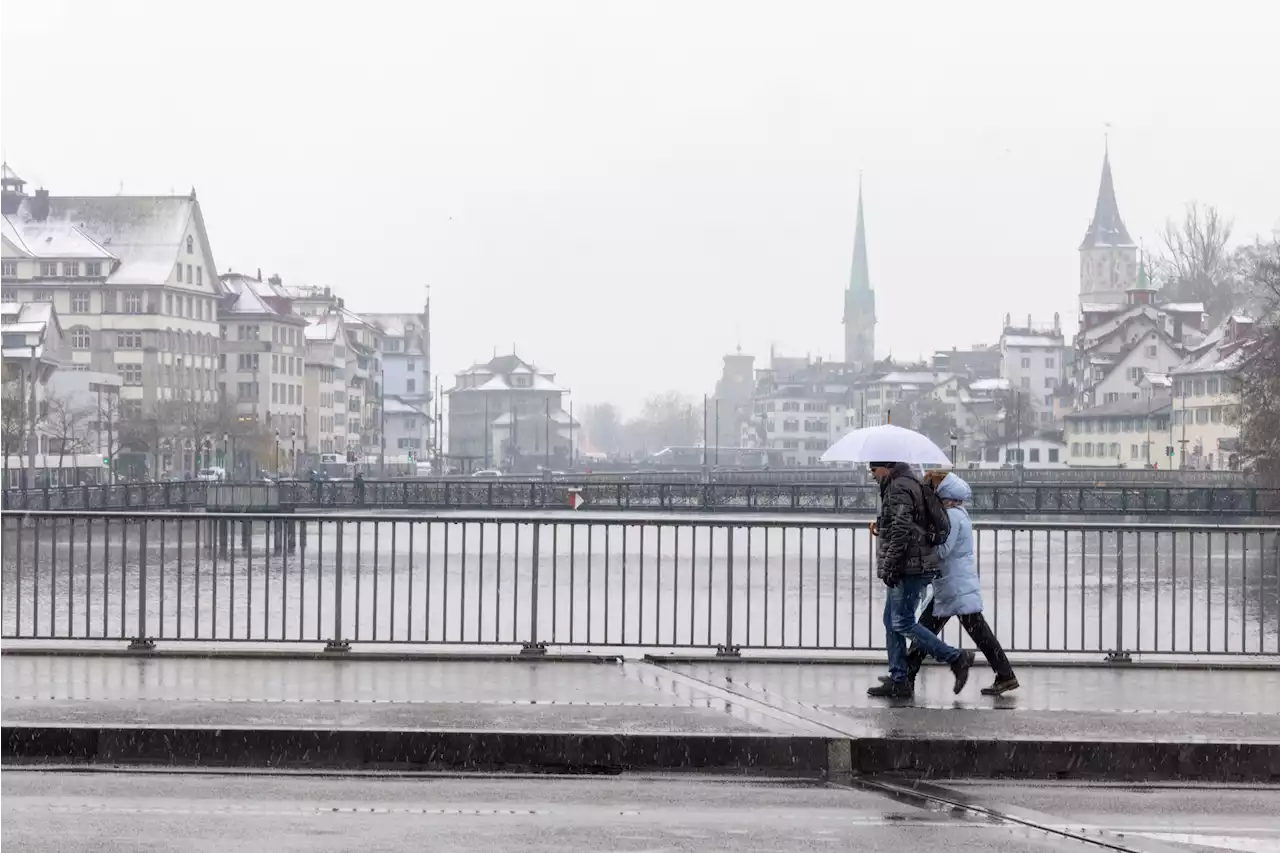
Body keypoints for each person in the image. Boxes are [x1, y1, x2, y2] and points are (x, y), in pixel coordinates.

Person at [902, 471, 1019, 695]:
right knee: (974, 632)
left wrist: (924, 538)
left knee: (926, 631)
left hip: (953, 586)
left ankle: (908, 676)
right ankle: (1004, 675)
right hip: (954, 584)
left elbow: (945, 550)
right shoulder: (958, 513)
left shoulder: (952, 517)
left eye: (931, 487)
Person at [866, 461, 974, 699]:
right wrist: (882, 525)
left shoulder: (898, 487)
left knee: (902, 622)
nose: (872, 476)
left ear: (885, 467)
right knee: (891, 620)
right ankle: (899, 679)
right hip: (914, 563)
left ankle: (955, 657)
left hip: (909, 566)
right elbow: (907, 523)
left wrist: (890, 565)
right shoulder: (909, 483)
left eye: (873, 470)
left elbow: (902, 529)